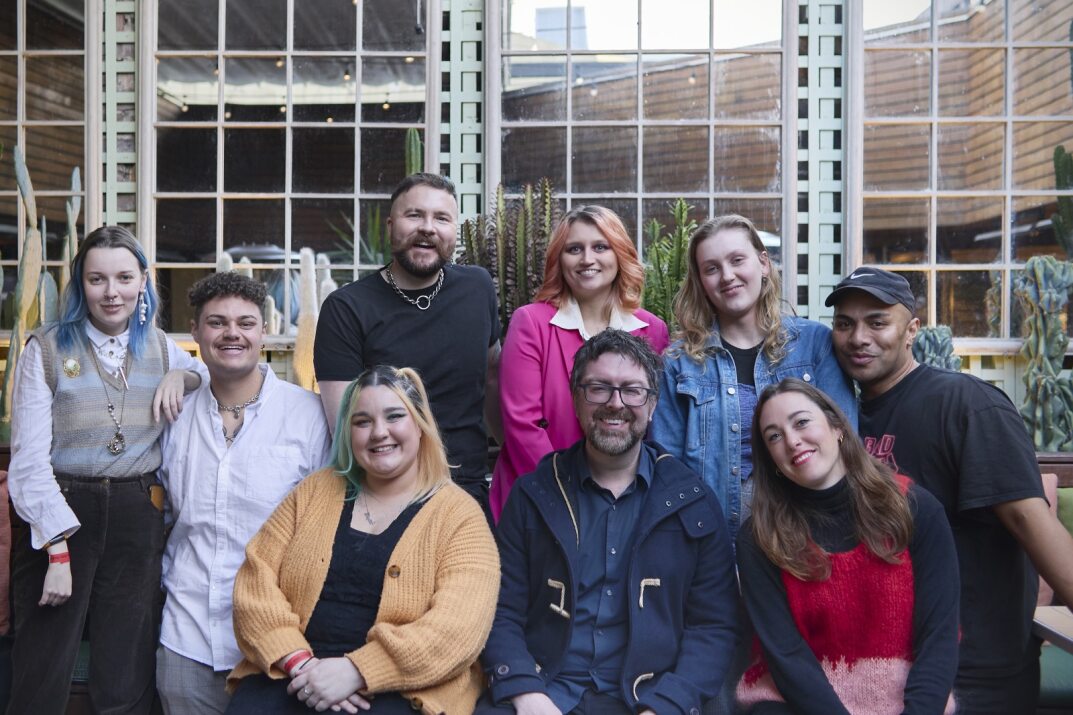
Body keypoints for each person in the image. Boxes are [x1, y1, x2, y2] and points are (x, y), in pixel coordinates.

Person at [827, 266, 1073, 713]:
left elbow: (1030, 521)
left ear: (911, 330)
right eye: (845, 324)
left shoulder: (966, 404)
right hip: (885, 670)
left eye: (877, 322)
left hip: (973, 670)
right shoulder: (844, 418)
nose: (858, 337)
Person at [479, 329, 738, 714]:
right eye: (598, 388)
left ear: (652, 405)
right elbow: (500, 609)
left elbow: (713, 628)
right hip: (545, 689)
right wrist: (525, 691)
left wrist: (666, 705)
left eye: (632, 390)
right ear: (576, 399)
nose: (615, 403)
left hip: (648, 700)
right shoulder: (535, 494)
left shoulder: (693, 502)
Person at [7, 226, 205, 714]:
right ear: (81, 283)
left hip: (137, 513)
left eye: (123, 277)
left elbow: (205, 374)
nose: (111, 292)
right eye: (97, 279)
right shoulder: (47, 350)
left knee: (126, 666)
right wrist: (56, 550)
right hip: (61, 512)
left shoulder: (159, 347)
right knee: (43, 662)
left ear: (143, 281)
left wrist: (184, 373)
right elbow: (29, 464)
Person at [225, 366, 500, 714]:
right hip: (296, 673)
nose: (378, 433)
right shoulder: (315, 492)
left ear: (419, 424)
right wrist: (301, 664)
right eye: (362, 421)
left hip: (403, 687)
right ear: (348, 433)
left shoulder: (459, 516)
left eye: (394, 416)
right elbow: (254, 584)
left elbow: (458, 629)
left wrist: (358, 670)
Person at [156, 272, 332, 715]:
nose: (232, 333)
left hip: (277, 648)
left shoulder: (307, 416)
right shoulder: (171, 419)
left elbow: (323, 533)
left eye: (245, 323)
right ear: (195, 332)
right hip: (186, 637)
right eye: (216, 322)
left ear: (264, 330)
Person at [735, 378, 959, 715]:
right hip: (800, 702)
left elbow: (938, 638)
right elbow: (786, 655)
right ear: (771, 459)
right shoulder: (759, 538)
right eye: (774, 436)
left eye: (801, 422)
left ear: (837, 426)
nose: (792, 441)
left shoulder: (916, 509)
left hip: (908, 698)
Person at [651, 214, 856, 543]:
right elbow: (666, 468)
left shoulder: (814, 345)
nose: (727, 276)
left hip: (810, 538)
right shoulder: (680, 363)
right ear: (701, 281)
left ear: (763, 263)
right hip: (713, 545)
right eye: (712, 268)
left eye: (737, 260)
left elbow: (847, 444)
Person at [314, 173, 500, 507]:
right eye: (414, 215)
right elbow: (346, 426)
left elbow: (493, 377)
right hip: (385, 495)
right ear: (390, 226)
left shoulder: (478, 288)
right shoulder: (347, 309)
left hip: (466, 490)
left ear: (454, 231)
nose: (428, 227)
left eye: (441, 218)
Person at [489, 205, 669, 520]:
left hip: (624, 503)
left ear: (620, 255)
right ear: (560, 260)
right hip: (539, 496)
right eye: (575, 249)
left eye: (600, 247)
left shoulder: (652, 329)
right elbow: (522, 424)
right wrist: (572, 494)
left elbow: (653, 423)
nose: (587, 259)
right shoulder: (530, 322)